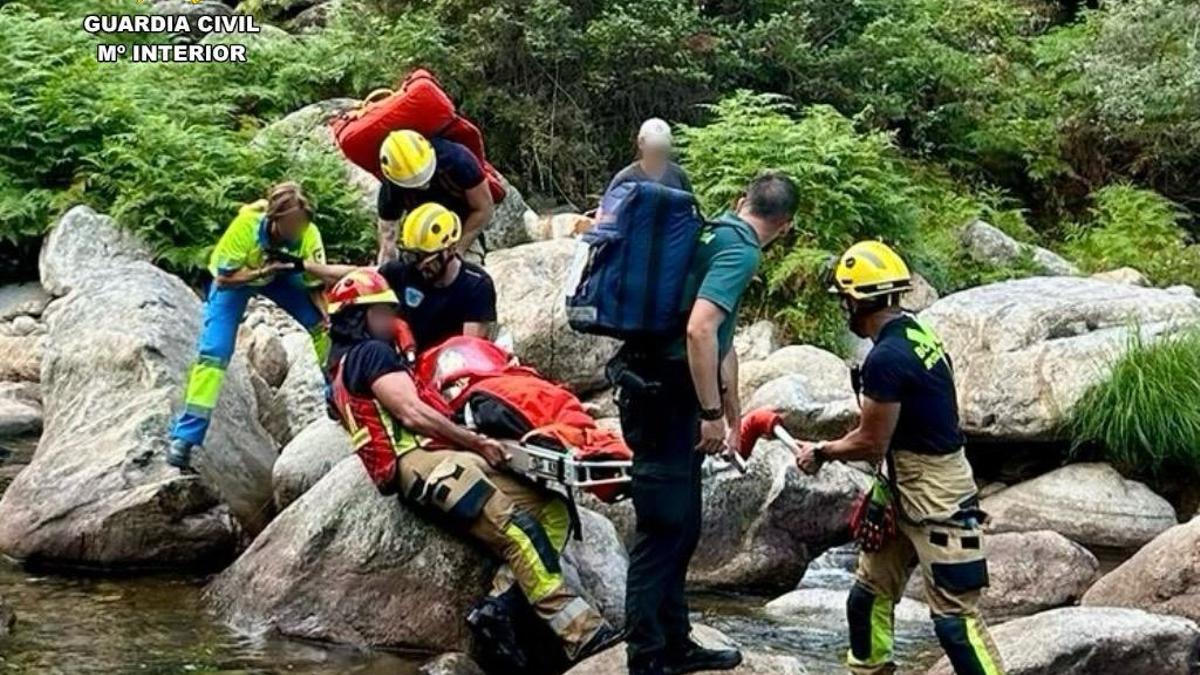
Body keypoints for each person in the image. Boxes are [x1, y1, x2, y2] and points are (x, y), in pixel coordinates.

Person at [324, 269, 621, 670]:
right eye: (383, 312)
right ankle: (582, 633)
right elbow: (412, 414)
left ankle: (499, 608)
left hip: (445, 459)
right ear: (360, 317)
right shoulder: (371, 354)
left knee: (552, 512)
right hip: (425, 465)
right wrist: (476, 441)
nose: (392, 320)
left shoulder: (339, 373)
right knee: (517, 530)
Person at [611, 172, 799, 675]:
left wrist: (733, 418)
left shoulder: (708, 230)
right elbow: (699, 331)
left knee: (684, 526)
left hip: (661, 389)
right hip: (667, 397)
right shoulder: (742, 252)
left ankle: (676, 641)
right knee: (663, 529)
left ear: (741, 201)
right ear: (785, 225)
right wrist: (711, 414)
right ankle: (646, 656)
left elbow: (723, 344)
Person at [790, 241, 1005, 675]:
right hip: (902, 485)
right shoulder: (915, 332)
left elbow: (871, 442)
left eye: (845, 300)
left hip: (937, 495)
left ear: (856, 301)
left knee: (955, 620)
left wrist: (822, 451)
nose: (844, 308)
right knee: (868, 596)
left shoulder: (886, 358)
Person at [167, 182, 330, 470]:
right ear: (274, 219)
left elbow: (316, 286)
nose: (296, 231)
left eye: (301, 225)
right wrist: (263, 271)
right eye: (291, 225)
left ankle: (337, 396)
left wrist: (327, 316)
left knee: (323, 329)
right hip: (237, 281)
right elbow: (223, 279)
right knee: (214, 353)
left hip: (281, 277)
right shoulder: (245, 228)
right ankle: (185, 437)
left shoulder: (309, 235)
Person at [304, 202, 496, 350]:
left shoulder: (476, 285)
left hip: (447, 365)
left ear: (450, 250)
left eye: (425, 257)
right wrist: (305, 266)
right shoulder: (404, 271)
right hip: (406, 359)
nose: (419, 265)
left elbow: (470, 348)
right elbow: (359, 276)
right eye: (413, 256)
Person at [376, 129, 495, 264]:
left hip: (462, 227)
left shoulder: (457, 160)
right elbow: (388, 237)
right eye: (412, 182)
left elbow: (483, 208)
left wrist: (457, 251)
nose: (423, 185)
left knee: (465, 268)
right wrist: (386, 267)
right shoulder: (391, 186)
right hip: (419, 238)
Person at [604, 118, 693, 194]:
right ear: (641, 143)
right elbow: (607, 207)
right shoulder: (626, 178)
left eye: (662, 147)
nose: (657, 152)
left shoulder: (678, 175)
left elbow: (691, 205)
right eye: (653, 147)